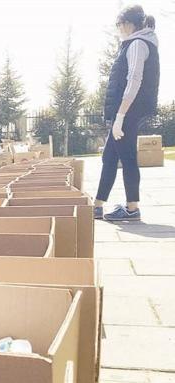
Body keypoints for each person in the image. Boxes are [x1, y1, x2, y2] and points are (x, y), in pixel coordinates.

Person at [95, 5, 159, 221]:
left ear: (129, 24)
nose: (118, 28)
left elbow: (134, 80)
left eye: (119, 24)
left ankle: (132, 208)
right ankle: (97, 205)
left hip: (129, 109)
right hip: (127, 109)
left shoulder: (138, 44)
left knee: (126, 156)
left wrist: (121, 116)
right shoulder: (135, 43)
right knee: (110, 156)